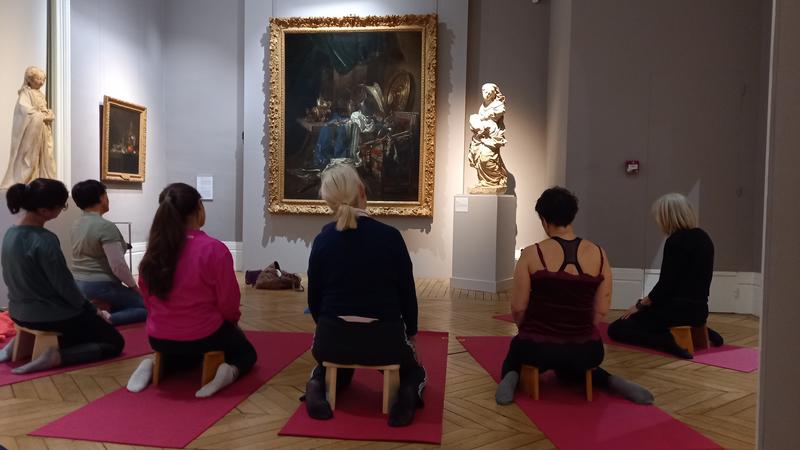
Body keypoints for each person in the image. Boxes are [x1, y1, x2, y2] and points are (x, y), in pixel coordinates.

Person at [495, 187, 653, 405]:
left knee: (517, 351)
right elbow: (601, 309)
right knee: (574, 365)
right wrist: (575, 330)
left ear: (543, 219)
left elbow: (518, 308)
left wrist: (528, 331)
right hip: (586, 349)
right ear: (572, 215)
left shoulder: (532, 254)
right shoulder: (598, 253)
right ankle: (610, 381)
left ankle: (510, 377)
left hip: (537, 348)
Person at [304, 163, 426, 427]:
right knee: (415, 372)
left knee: (333, 365)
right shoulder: (390, 237)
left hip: (332, 338)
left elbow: (314, 299)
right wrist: (412, 332)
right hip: (384, 340)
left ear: (329, 202)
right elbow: (407, 293)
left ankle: (316, 385)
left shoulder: (323, 240)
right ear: (361, 190)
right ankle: (406, 397)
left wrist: (328, 325)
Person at [125, 183, 256, 398]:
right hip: (205, 334)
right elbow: (228, 302)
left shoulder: (154, 252)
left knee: (184, 352)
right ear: (198, 208)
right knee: (246, 353)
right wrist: (232, 323)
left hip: (159, 337)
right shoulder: (214, 250)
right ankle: (227, 372)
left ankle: (154, 365)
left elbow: (148, 298)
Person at [0, 179, 124, 373]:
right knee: (115, 342)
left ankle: (19, 344)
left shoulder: (9, 234)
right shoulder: (45, 240)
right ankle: (56, 357)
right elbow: (65, 287)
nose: (62, 210)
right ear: (44, 210)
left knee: (87, 325)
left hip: (17, 313)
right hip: (47, 315)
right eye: (61, 206)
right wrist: (93, 310)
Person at [607, 193, 723, 358]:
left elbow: (666, 285)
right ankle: (707, 332)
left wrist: (640, 305)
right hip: (700, 312)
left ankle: (663, 341)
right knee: (648, 316)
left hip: (676, 312)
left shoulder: (675, 241)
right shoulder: (704, 237)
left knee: (616, 328)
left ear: (668, 216)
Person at [70, 179, 147, 326]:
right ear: (101, 197)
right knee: (149, 307)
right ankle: (105, 319)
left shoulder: (76, 224)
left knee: (123, 302)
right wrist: (135, 288)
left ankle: (101, 307)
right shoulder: (105, 226)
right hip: (101, 285)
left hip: (78, 284)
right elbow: (118, 265)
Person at [1, 67, 56, 189]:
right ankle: (28, 179)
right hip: (32, 131)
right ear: (29, 79)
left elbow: (43, 109)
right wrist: (41, 115)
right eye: (38, 79)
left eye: (43, 79)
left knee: (45, 155)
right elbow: (24, 110)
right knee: (29, 156)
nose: (41, 82)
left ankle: (42, 180)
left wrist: (48, 114)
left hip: (42, 131)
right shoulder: (26, 93)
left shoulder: (41, 94)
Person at [467, 82, 508, 193]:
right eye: (485, 92)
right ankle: (484, 181)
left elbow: (500, 112)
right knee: (479, 157)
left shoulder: (498, 104)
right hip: (481, 135)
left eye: (489, 92)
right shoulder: (483, 105)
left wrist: (484, 117)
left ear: (494, 94)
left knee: (486, 157)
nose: (487, 94)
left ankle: (494, 181)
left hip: (491, 134)